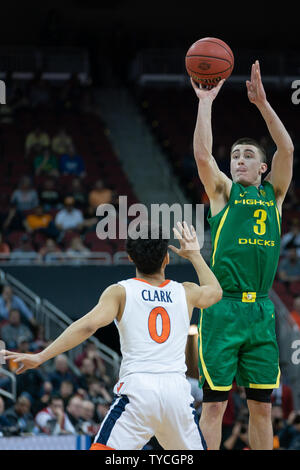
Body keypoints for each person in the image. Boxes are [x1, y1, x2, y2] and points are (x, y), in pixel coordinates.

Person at [1, 221, 222, 450]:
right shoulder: (185, 291)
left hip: (138, 392)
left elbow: (86, 326)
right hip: (176, 392)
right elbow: (216, 292)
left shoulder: (120, 291)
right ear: (166, 258)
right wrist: (194, 255)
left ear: (130, 258)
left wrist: (41, 356)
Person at [190, 59, 294, 450]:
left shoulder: (275, 196)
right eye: (235, 156)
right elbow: (203, 156)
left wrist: (263, 105)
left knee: (262, 408)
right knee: (214, 408)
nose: (239, 160)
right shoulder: (223, 192)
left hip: (261, 310)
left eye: (248, 155)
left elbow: (287, 147)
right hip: (222, 307)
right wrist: (205, 101)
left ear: (263, 168)